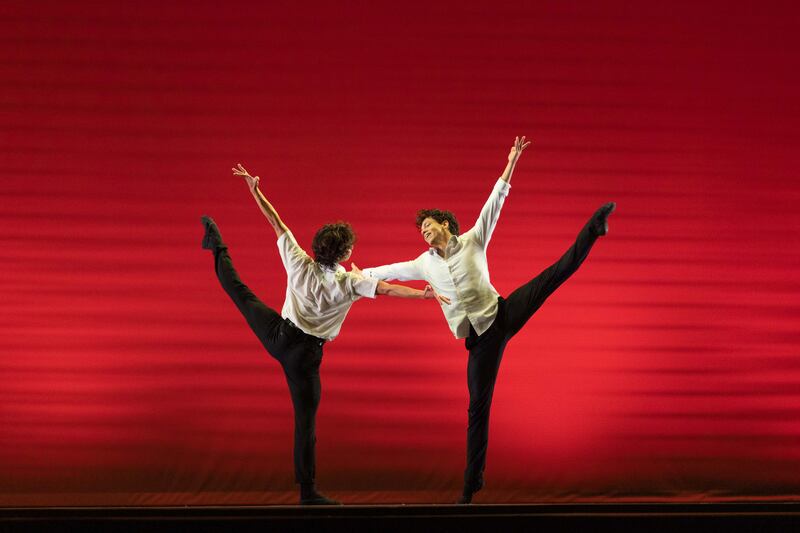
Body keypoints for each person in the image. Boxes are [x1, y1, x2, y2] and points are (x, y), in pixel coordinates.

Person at [362, 137, 616, 503]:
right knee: (477, 408)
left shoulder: (472, 239)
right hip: (480, 342)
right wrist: (359, 274)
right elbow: (391, 271)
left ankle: (594, 228)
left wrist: (511, 162)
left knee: (553, 276)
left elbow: (494, 203)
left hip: (502, 315)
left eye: (429, 226)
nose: (424, 232)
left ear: (446, 224)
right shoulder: (423, 263)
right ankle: (470, 487)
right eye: (421, 230)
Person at [201, 164, 448, 505]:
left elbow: (276, 222)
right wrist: (422, 295)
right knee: (305, 425)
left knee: (241, 292)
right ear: (345, 254)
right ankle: (307, 493)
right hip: (304, 357)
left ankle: (217, 247)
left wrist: (255, 190)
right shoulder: (350, 283)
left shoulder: (300, 262)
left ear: (318, 248)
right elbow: (389, 290)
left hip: (278, 335)